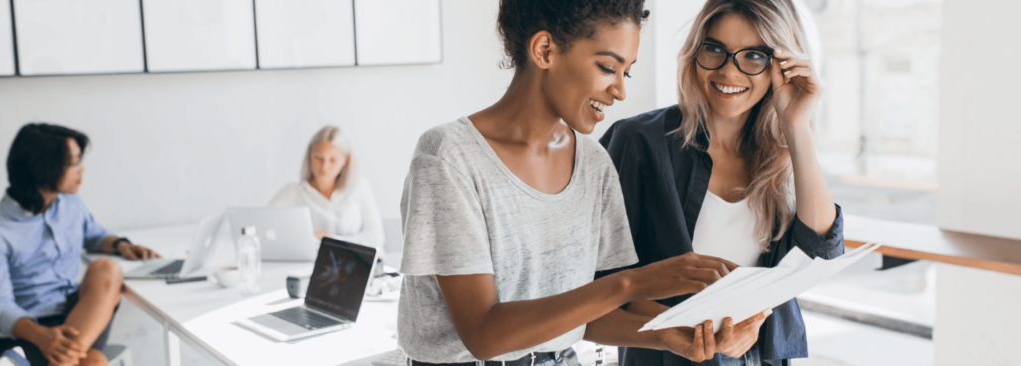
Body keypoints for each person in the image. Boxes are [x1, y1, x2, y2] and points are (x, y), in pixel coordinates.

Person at [397, 1, 770, 365]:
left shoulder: (593, 162)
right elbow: (484, 336)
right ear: (545, 50)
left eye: (628, 73)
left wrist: (667, 336)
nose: (620, 91)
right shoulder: (450, 156)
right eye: (608, 67)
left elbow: (581, 314)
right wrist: (634, 283)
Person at [599, 0, 845, 365]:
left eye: (754, 56)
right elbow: (605, 284)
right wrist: (703, 336)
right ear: (694, 52)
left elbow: (819, 254)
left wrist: (798, 125)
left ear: (781, 67)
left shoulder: (785, 155)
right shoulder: (638, 141)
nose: (730, 72)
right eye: (714, 49)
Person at [0, 123, 161, 366]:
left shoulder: (71, 206)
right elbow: (1, 307)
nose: (81, 170)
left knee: (106, 269)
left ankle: (63, 359)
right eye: (73, 164)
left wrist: (120, 245)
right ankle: (66, 358)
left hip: (78, 317)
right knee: (93, 361)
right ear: (44, 167)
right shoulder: (1, 228)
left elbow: (94, 235)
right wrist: (43, 337)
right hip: (26, 331)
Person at [269, 126, 385, 258]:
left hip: (356, 266)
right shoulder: (293, 192)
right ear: (310, 156)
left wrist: (332, 241)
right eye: (318, 158)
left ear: (345, 160)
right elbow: (268, 233)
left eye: (332, 160)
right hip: (311, 268)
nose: (324, 167)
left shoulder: (359, 187)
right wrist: (307, 239)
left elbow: (376, 238)